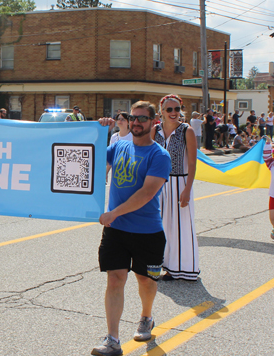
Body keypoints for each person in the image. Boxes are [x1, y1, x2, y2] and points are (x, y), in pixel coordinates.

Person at [91, 101, 171, 356]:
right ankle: (112, 339)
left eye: (142, 119)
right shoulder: (118, 146)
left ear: (153, 122)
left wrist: (113, 212)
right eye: (133, 118)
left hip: (147, 231)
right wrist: (97, 132)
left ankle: (146, 316)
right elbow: (90, 163)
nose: (136, 123)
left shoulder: (159, 155)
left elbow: (147, 193)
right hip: (117, 230)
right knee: (115, 278)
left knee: (145, 281)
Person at [153, 94, 199, 282]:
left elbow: (193, 163)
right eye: (169, 109)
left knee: (180, 226)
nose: (174, 113)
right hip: (158, 183)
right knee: (160, 225)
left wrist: (187, 189)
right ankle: (163, 265)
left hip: (180, 183)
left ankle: (183, 268)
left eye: (177, 109)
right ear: (161, 112)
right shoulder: (154, 130)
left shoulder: (186, 130)